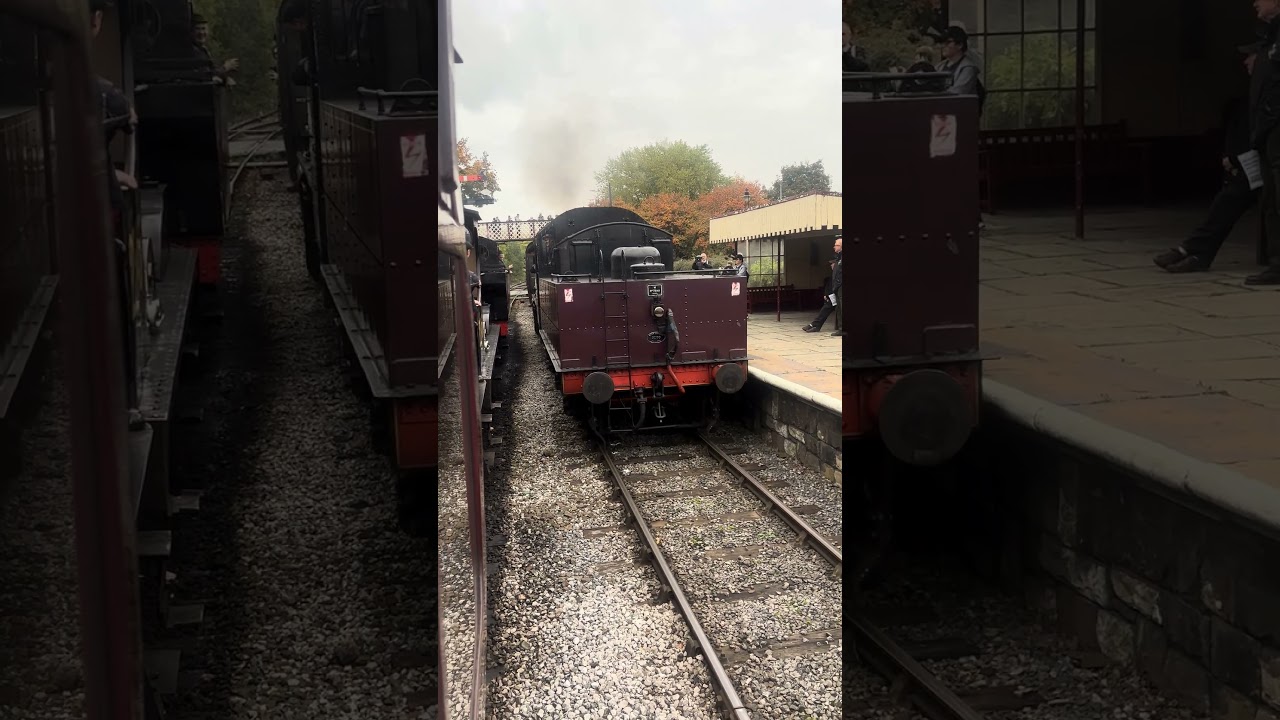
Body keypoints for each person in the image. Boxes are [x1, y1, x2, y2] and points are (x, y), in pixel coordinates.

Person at [1154, 43, 1264, 273]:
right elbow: (1238, 129)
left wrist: (1236, 158)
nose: (1245, 62)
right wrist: (1229, 156)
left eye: (1250, 56)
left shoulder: (1267, 91)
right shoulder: (1250, 94)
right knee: (1229, 197)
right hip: (1249, 163)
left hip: (1265, 163)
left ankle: (1191, 250)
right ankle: (1197, 255)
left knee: (1231, 197)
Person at [1250, 0, 1280, 285]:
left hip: (1276, 126)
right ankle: (1276, 262)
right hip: (1267, 129)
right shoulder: (1270, 36)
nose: (1256, 3)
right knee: (1270, 197)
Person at [803, 237, 843, 333]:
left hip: (839, 288)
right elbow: (832, 281)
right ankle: (816, 325)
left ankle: (816, 324)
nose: (834, 247)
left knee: (836, 306)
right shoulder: (838, 258)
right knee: (832, 305)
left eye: (836, 245)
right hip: (835, 289)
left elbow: (838, 278)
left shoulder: (840, 259)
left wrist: (834, 289)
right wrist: (828, 292)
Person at [191, 15, 239, 84]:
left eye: (203, 29)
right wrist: (225, 67)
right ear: (191, 32)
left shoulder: (203, 50)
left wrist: (224, 79)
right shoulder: (192, 51)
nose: (201, 33)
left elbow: (212, 70)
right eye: (197, 29)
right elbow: (204, 75)